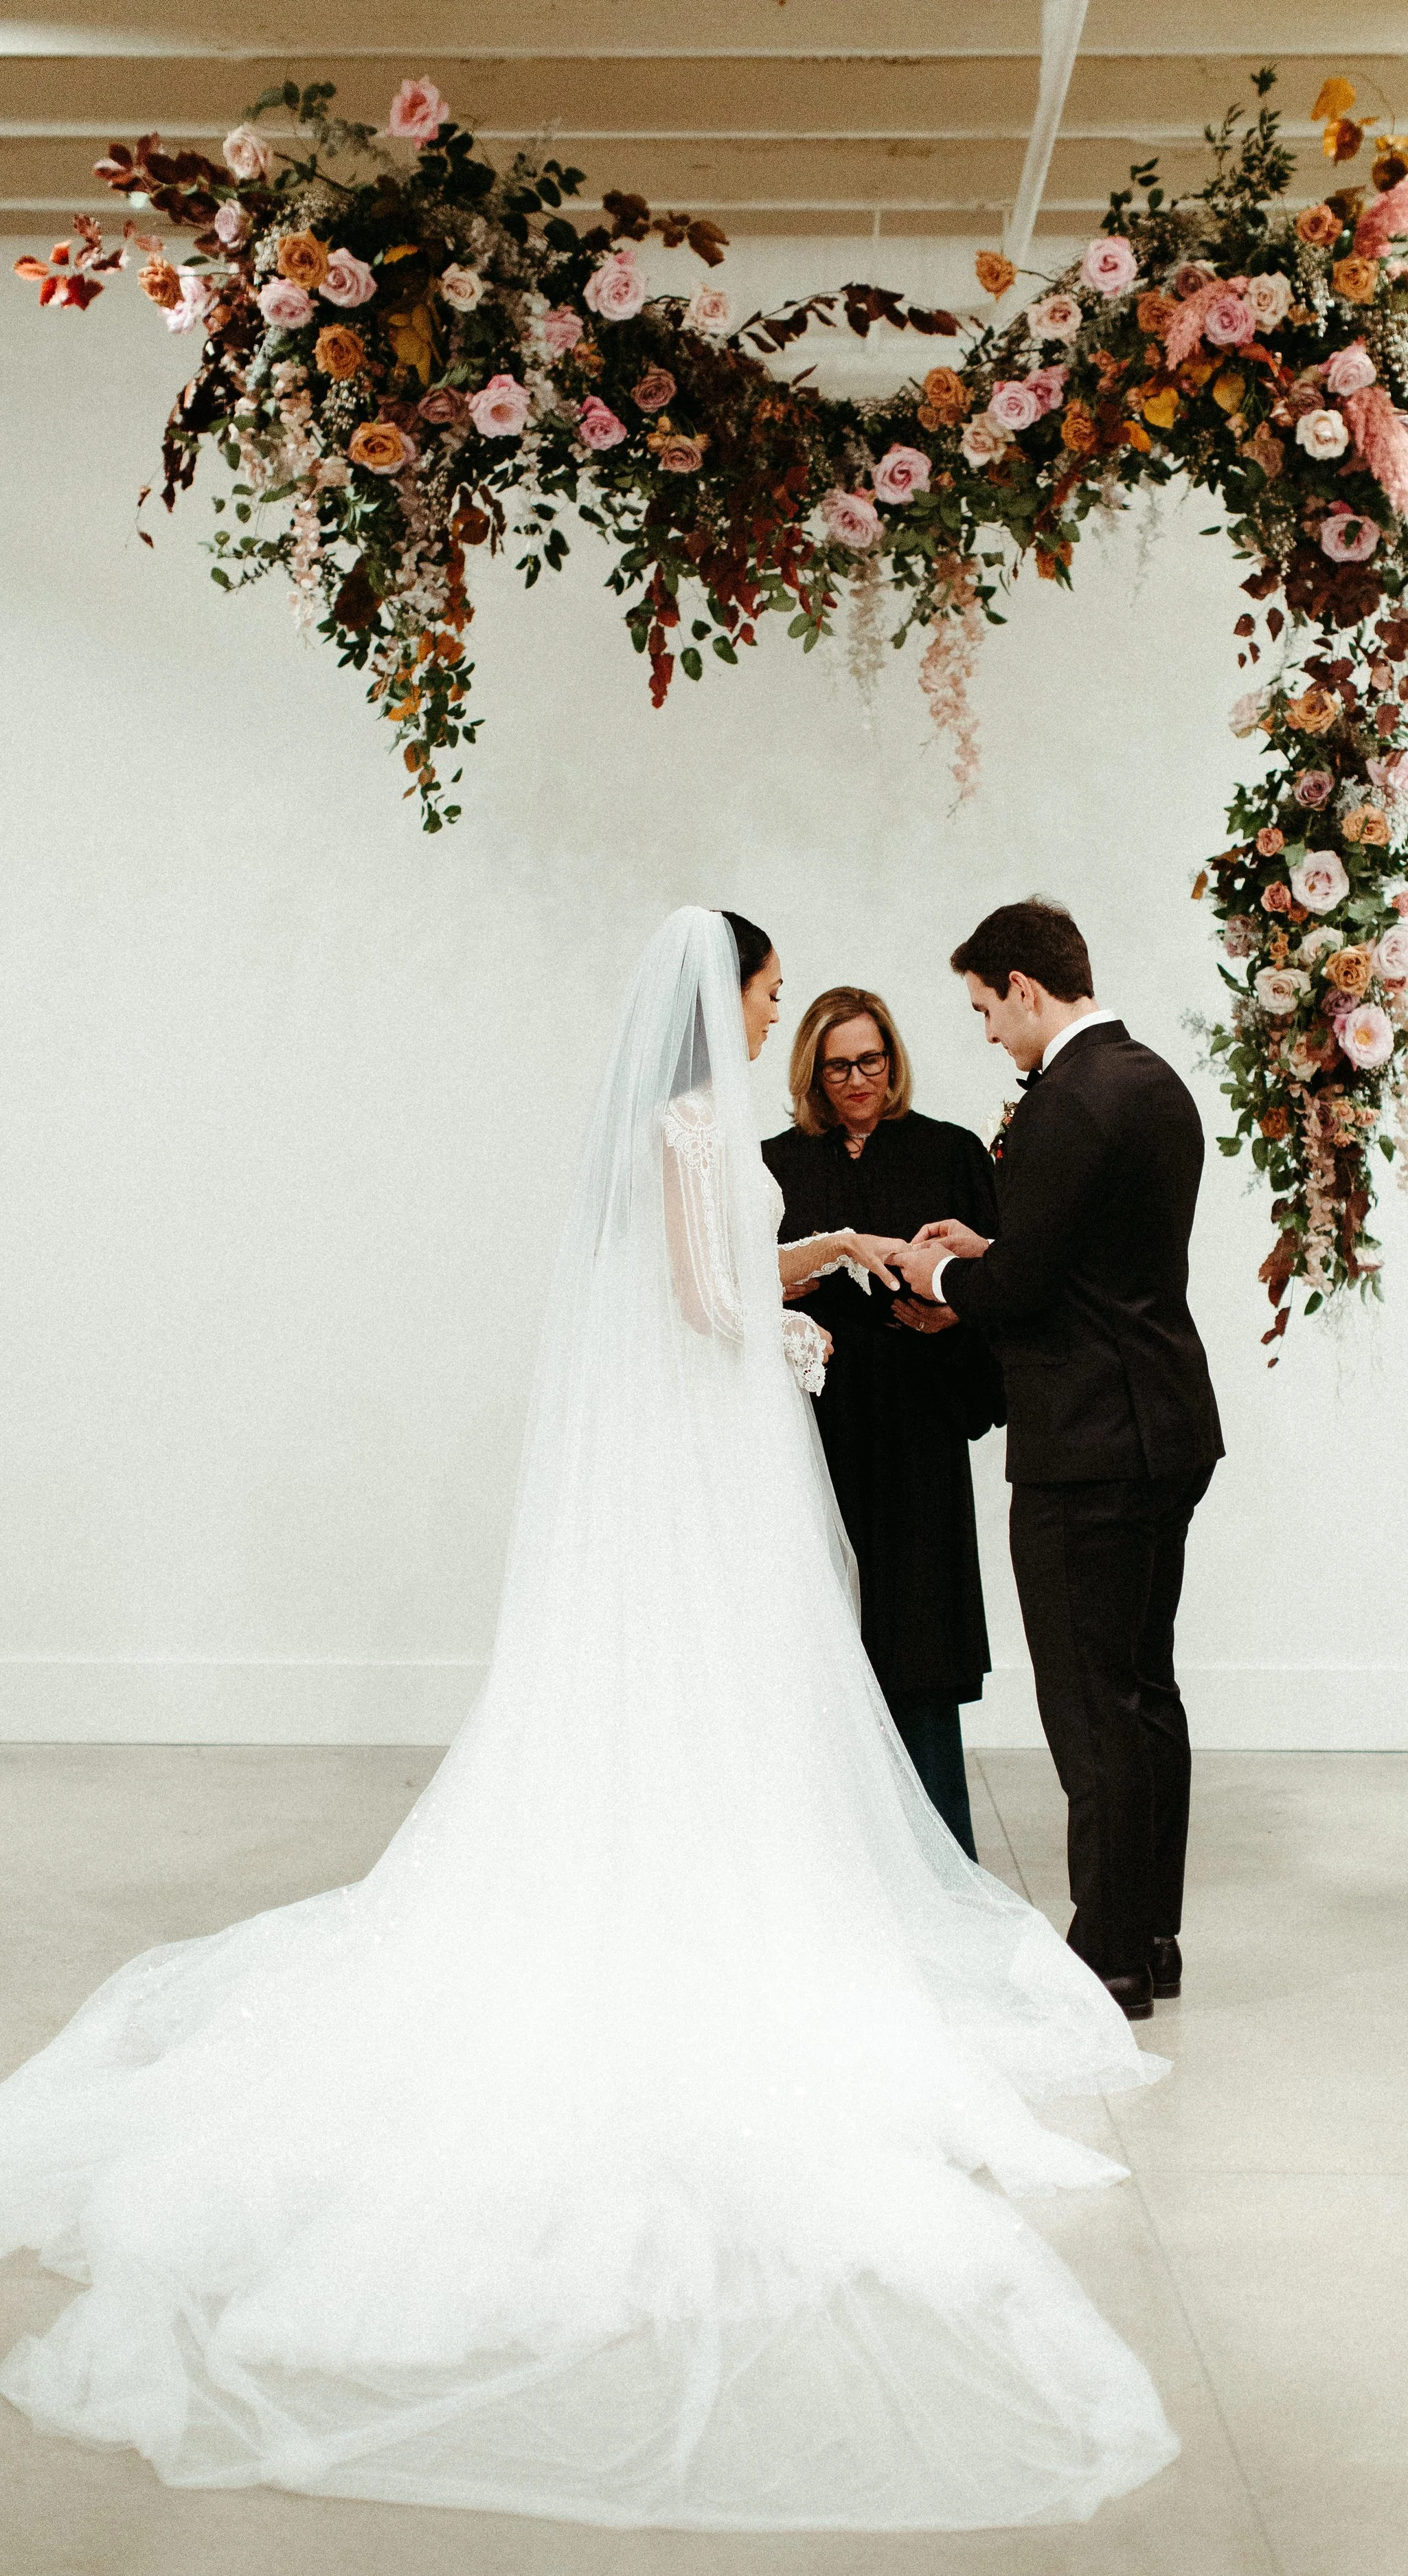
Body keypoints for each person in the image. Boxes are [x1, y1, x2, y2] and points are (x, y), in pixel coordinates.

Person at [0, 907, 1178, 2529]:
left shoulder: (680, 1126)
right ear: (726, 998)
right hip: (719, 1448)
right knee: (740, 1686)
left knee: (708, 1694)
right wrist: (792, 1324)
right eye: (768, 995)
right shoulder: (699, 1123)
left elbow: (704, 1270)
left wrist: (826, 1257)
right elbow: (700, 1303)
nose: (777, 1017)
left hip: (704, 1458)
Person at [896, 899, 1224, 2025]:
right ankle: (1152, 1935)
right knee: (1144, 1694)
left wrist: (931, 1272)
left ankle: (1107, 1959)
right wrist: (994, 1245)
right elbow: (1089, 1257)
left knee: (1091, 1707)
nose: (988, 1032)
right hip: (1164, 1423)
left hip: (1089, 1443)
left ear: (1026, 987)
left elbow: (1025, 1293)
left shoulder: (1070, 1103)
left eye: (987, 1008)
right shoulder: (1150, 1081)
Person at [762, 987, 1004, 1860]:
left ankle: (941, 1861)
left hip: (919, 1427)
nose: (858, 1080)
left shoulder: (949, 1153)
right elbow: (744, 1286)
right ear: (812, 1074)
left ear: (893, 1061)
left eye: (872, 1061)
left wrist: (956, 1317)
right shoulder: (775, 1165)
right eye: (838, 1066)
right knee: (820, 1643)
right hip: (815, 1433)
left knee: (920, 1643)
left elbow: (999, 1279)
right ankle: (826, 1862)